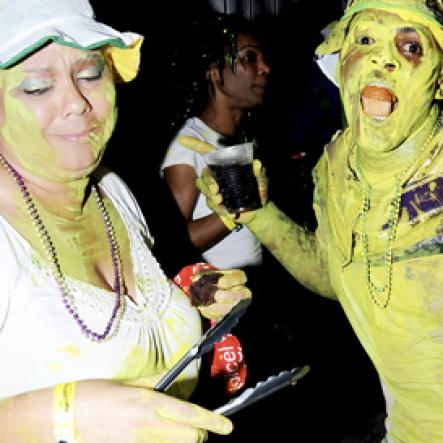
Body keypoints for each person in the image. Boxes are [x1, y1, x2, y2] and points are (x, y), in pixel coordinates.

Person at [181, 0, 443, 441]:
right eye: (365, 40)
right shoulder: (336, 166)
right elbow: (331, 273)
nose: (383, 59)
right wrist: (257, 214)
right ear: (342, 66)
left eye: (411, 47)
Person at [0, 0, 252, 442]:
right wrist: (64, 415)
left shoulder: (113, 190)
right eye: (38, 87)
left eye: (90, 74)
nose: (76, 103)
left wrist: (189, 292)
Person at [160, 12, 270, 270]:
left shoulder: (244, 137)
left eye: (263, 58)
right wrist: (234, 212)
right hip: (223, 304)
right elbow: (174, 241)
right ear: (214, 73)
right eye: (249, 58)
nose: (265, 68)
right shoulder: (187, 145)